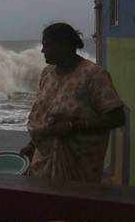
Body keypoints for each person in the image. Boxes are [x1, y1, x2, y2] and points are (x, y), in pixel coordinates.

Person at [20, 22, 125, 183]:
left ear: (64, 45)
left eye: (47, 45)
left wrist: (72, 126)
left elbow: (117, 117)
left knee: (76, 206)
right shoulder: (47, 74)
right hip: (44, 162)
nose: (42, 50)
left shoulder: (93, 75)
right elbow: (43, 115)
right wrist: (32, 145)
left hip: (80, 167)